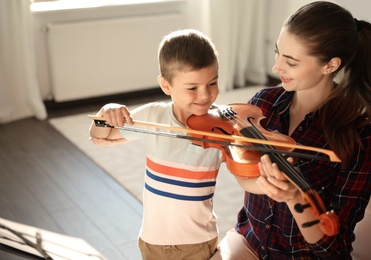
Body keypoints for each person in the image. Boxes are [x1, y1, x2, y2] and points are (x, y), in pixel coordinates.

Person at [212, 1, 371, 259]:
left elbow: (333, 248)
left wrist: (294, 196)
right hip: (250, 241)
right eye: (277, 53)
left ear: (330, 65)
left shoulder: (358, 136)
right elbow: (241, 169)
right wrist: (266, 187)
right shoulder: (262, 105)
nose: (276, 68)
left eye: (291, 62)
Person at [89, 29, 224, 259]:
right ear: (166, 85)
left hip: (197, 242)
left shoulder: (221, 128)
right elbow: (99, 134)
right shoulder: (153, 116)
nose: (205, 95)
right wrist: (107, 110)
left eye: (212, 83)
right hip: (151, 241)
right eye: (192, 87)